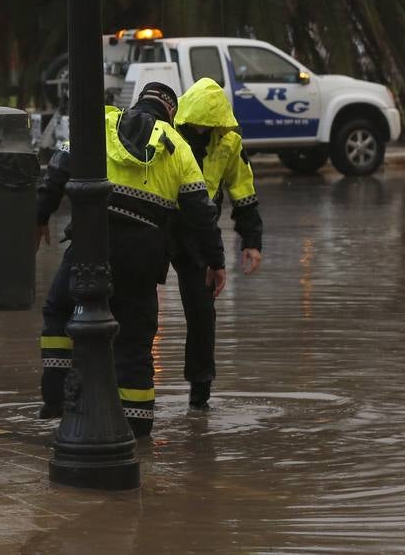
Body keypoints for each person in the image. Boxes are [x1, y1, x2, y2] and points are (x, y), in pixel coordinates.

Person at [35, 82, 225, 438]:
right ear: (171, 112)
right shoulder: (179, 148)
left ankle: (56, 400)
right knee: (135, 342)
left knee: (59, 311)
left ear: (138, 101)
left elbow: (58, 169)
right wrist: (216, 262)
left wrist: (40, 216)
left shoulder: (101, 125)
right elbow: (202, 214)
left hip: (92, 246)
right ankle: (138, 429)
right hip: (144, 256)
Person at [173, 77, 263, 409]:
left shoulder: (229, 143)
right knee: (138, 310)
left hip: (199, 235)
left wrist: (252, 241)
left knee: (202, 313)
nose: (204, 131)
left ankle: (200, 395)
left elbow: (244, 191)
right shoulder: (167, 136)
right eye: (198, 125)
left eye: (209, 126)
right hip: (161, 226)